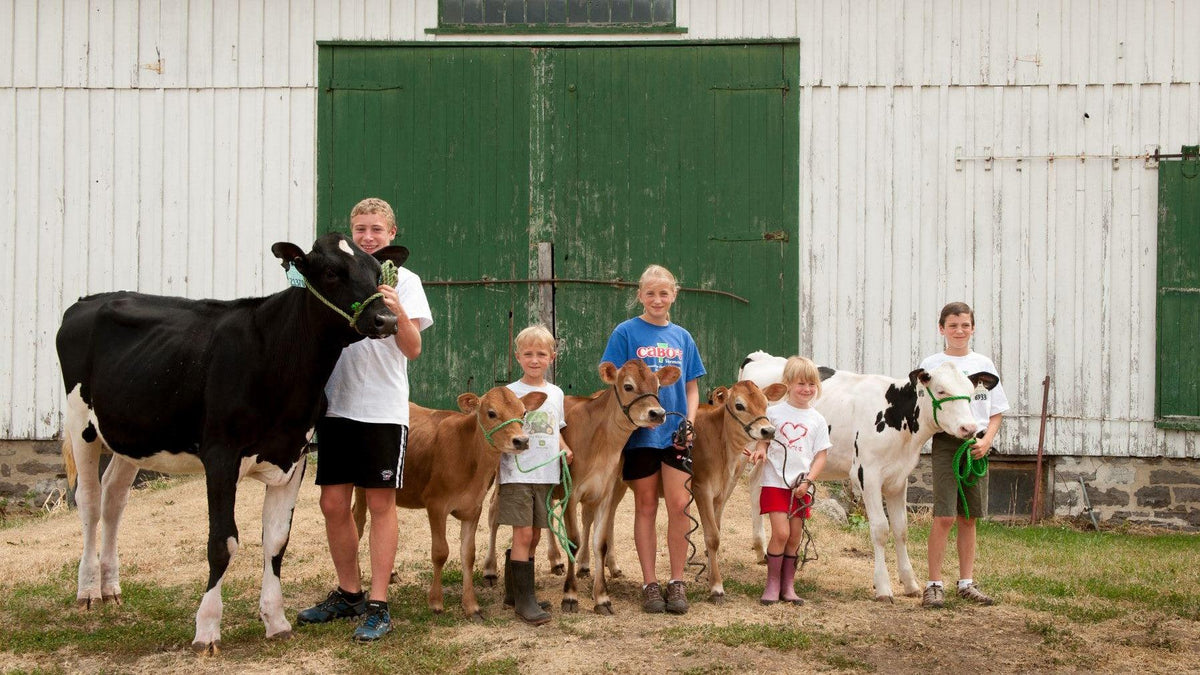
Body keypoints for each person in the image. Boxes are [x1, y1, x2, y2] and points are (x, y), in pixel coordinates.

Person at [296, 197, 433, 641]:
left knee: (379, 505)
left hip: (382, 410)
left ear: (392, 234)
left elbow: (411, 348)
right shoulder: (334, 277)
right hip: (337, 406)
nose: (368, 236)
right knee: (333, 504)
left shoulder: (404, 280)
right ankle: (349, 593)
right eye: (360, 229)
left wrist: (393, 308)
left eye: (376, 229)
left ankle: (379, 603)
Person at [600, 264, 706, 615]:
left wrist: (689, 423)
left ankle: (677, 581)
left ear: (674, 295)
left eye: (664, 293)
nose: (657, 299)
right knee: (645, 505)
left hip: (675, 431)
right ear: (640, 296)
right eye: (650, 293)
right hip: (640, 435)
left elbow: (691, 386)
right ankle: (649, 583)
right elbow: (613, 379)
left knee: (679, 505)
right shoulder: (625, 332)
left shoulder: (683, 337)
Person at [920, 301, 1009, 609]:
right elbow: (923, 409)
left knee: (969, 517)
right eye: (953, 325)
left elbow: (996, 411)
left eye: (965, 325)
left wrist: (987, 441)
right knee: (944, 515)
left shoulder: (983, 364)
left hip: (977, 443)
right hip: (946, 442)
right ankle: (933, 584)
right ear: (941, 328)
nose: (959, 330)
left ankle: (967, 583)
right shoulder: (931, 365)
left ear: (973, 328)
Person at [498, 325, 574, 625]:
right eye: (528, 354)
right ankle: (525, 602)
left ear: (551, 358)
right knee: (523, 532)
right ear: (518, 357)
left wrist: (565, 448)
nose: (534, 359)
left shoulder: (555, 393)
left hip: (546, 472)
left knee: (537, 534)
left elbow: (556, 428)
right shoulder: (509, 394)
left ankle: (514, 592)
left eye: (541, 354)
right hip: (517, 472)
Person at [746, 356, 831, 606]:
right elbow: (765, 439)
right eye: (800, 383)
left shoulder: (817, 419)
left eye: (811, 384)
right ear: (787, 384)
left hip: (800, 486)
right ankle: (771, 583)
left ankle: (788, 585)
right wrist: (761, 450)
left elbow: (821, 455)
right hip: (775, 482)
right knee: (781, 533)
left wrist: (809, 480)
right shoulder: (773, 413)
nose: (806, 389)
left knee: (794, 536)